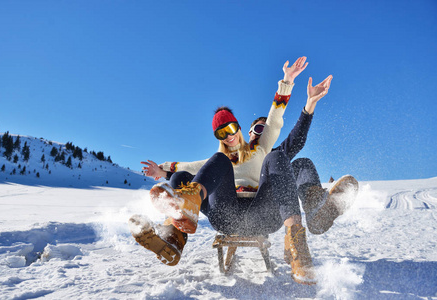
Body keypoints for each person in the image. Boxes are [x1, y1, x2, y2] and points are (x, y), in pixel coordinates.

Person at [130, 57, 357, 285]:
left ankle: (298, 241)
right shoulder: (220, 161)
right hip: (226, 214)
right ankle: (173, 237)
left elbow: (276, 119)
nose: (228, 135)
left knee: (279, 157)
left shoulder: (263, 151)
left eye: (230, 128)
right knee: (187, 174)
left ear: (238, 127)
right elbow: (187, 168)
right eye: (222, 133)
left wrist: (290, 84)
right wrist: (163, 171)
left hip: (262, 214)